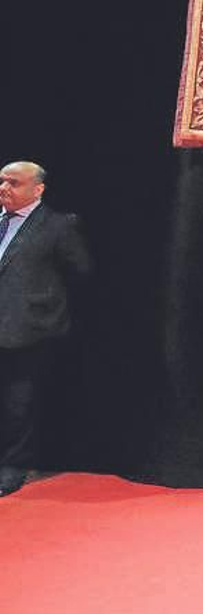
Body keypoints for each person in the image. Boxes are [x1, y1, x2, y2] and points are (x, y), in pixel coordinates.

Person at [0, 162, 91, 498]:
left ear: (37, 189)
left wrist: (44, 300)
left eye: (13, 183)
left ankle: (13, 467)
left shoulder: (57, 225)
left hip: (28, 328)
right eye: (1, 182)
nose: (4, 188)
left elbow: (81, 269)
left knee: (18, 403)